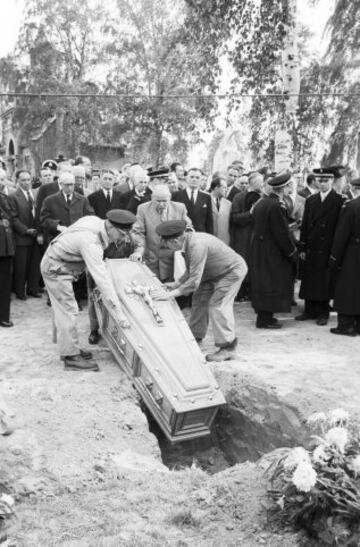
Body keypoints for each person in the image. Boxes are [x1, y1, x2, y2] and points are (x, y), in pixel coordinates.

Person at [40, 210, 133, 371]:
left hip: (59, 262)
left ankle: (69, 348)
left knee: (65, 310)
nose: (124, 238)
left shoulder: (94, 220)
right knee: (68, 310)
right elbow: (102, 280)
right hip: (56, 268)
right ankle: (70, 357)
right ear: (110, 226)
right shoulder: (91, 243)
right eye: (122, 233)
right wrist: (119, 313)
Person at [152, 220, 247, 362]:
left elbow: (194, 281)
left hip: (230, 272)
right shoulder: (188, 241)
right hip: (211, 273)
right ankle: (194, 338)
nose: (167, 248)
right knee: (199, 300)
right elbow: (191, 270)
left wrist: (169, 295)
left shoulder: (197, 245)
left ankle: (228, 348)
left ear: (176, 240)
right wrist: (176, 283)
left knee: (218, 305)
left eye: (167, 245)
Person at [296, 168, 344, 326]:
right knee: (310, 278)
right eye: (320, 180)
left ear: (332, 181)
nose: (322, 184)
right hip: (312, 246)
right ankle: (309, 310)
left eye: (326, 181)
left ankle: (323, 312)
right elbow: (305, 226)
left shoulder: (339, 200)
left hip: (327, 246)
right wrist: (302, 247)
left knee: (324, 280)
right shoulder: (311, 200)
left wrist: (336, 250)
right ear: (316, 181)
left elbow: (340, 228)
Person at [250, 172, 298, 329]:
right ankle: (265, 319)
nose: (290, 188)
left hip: (260, 249)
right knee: (271, 283)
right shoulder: (277, 205)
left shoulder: (263, 202)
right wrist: (291, 252)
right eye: (289, 186)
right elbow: (280, 233)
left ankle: (264, 318)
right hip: (272, 252)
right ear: (283, 188)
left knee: (263, 282)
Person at [88, 210, 138, 344]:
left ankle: (114, 327)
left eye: (126, 233)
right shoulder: (99, 237)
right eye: (121, 233)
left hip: (119, 274)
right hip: (98, 272)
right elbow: (94, 261)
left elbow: (137, 248)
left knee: (119, 298)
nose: (124, 237)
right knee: (94, 299)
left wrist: (137, 254)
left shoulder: (129, 237)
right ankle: (94, 329)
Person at [130, 185, 192, 281]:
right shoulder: (142, 208)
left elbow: (188, 228)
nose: (161, 204)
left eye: (164, 201)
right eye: (158, 201)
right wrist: (139, 251)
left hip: (174, 259)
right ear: (152, 199)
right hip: (152, 258)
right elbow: (138, 232)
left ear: (170, 199)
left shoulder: (180, 207)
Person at [328, 177, 360, 336]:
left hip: (353, 253)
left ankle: (346, 325)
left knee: (348, 288)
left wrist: (334, 257)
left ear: (354, 188)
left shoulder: (351, 206)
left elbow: (342, 235)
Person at [8, 169, 42, 299]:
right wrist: (26, 230)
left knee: (34, 265)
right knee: (21, 267)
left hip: (36, 236)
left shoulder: (35, 194)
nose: (26, 182)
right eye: (23, 180)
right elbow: (13, 218)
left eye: (28, 180)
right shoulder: (13, 196)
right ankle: (19, 291)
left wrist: (38, 231)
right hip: (22, 237)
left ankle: (33, 289)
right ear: (18, 181)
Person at [231, 171, 263, 301]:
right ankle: (241, 291)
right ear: (253, 183)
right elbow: (235, 217)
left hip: (258, 235)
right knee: (243, 262)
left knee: (256, 263)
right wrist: (250, 213)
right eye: (260, 182)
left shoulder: (263, 197)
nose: (262, 184)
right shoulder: (239, 197)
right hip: (243, 236)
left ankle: (253, 291)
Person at [172, 167, 213, 234]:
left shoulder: (206, 197)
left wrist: (209, 237)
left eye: (197, 178)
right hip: (181, 235)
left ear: (200, 180)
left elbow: (209, 222)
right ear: (186, 178)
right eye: (192, 177)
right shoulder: (176, 196)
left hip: (200, 235)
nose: (194, 179)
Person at [0, 181, 15, 327]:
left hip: (4, 247)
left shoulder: (4, 198)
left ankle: (3, 316)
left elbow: (10, 216)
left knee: (4, 284)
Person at [209, 174, 231, 245]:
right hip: (209, 239)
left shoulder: (228, 203)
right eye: (224, 187)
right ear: (216, 187)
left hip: (223, 242)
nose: (226, 189)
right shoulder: (205, 199)